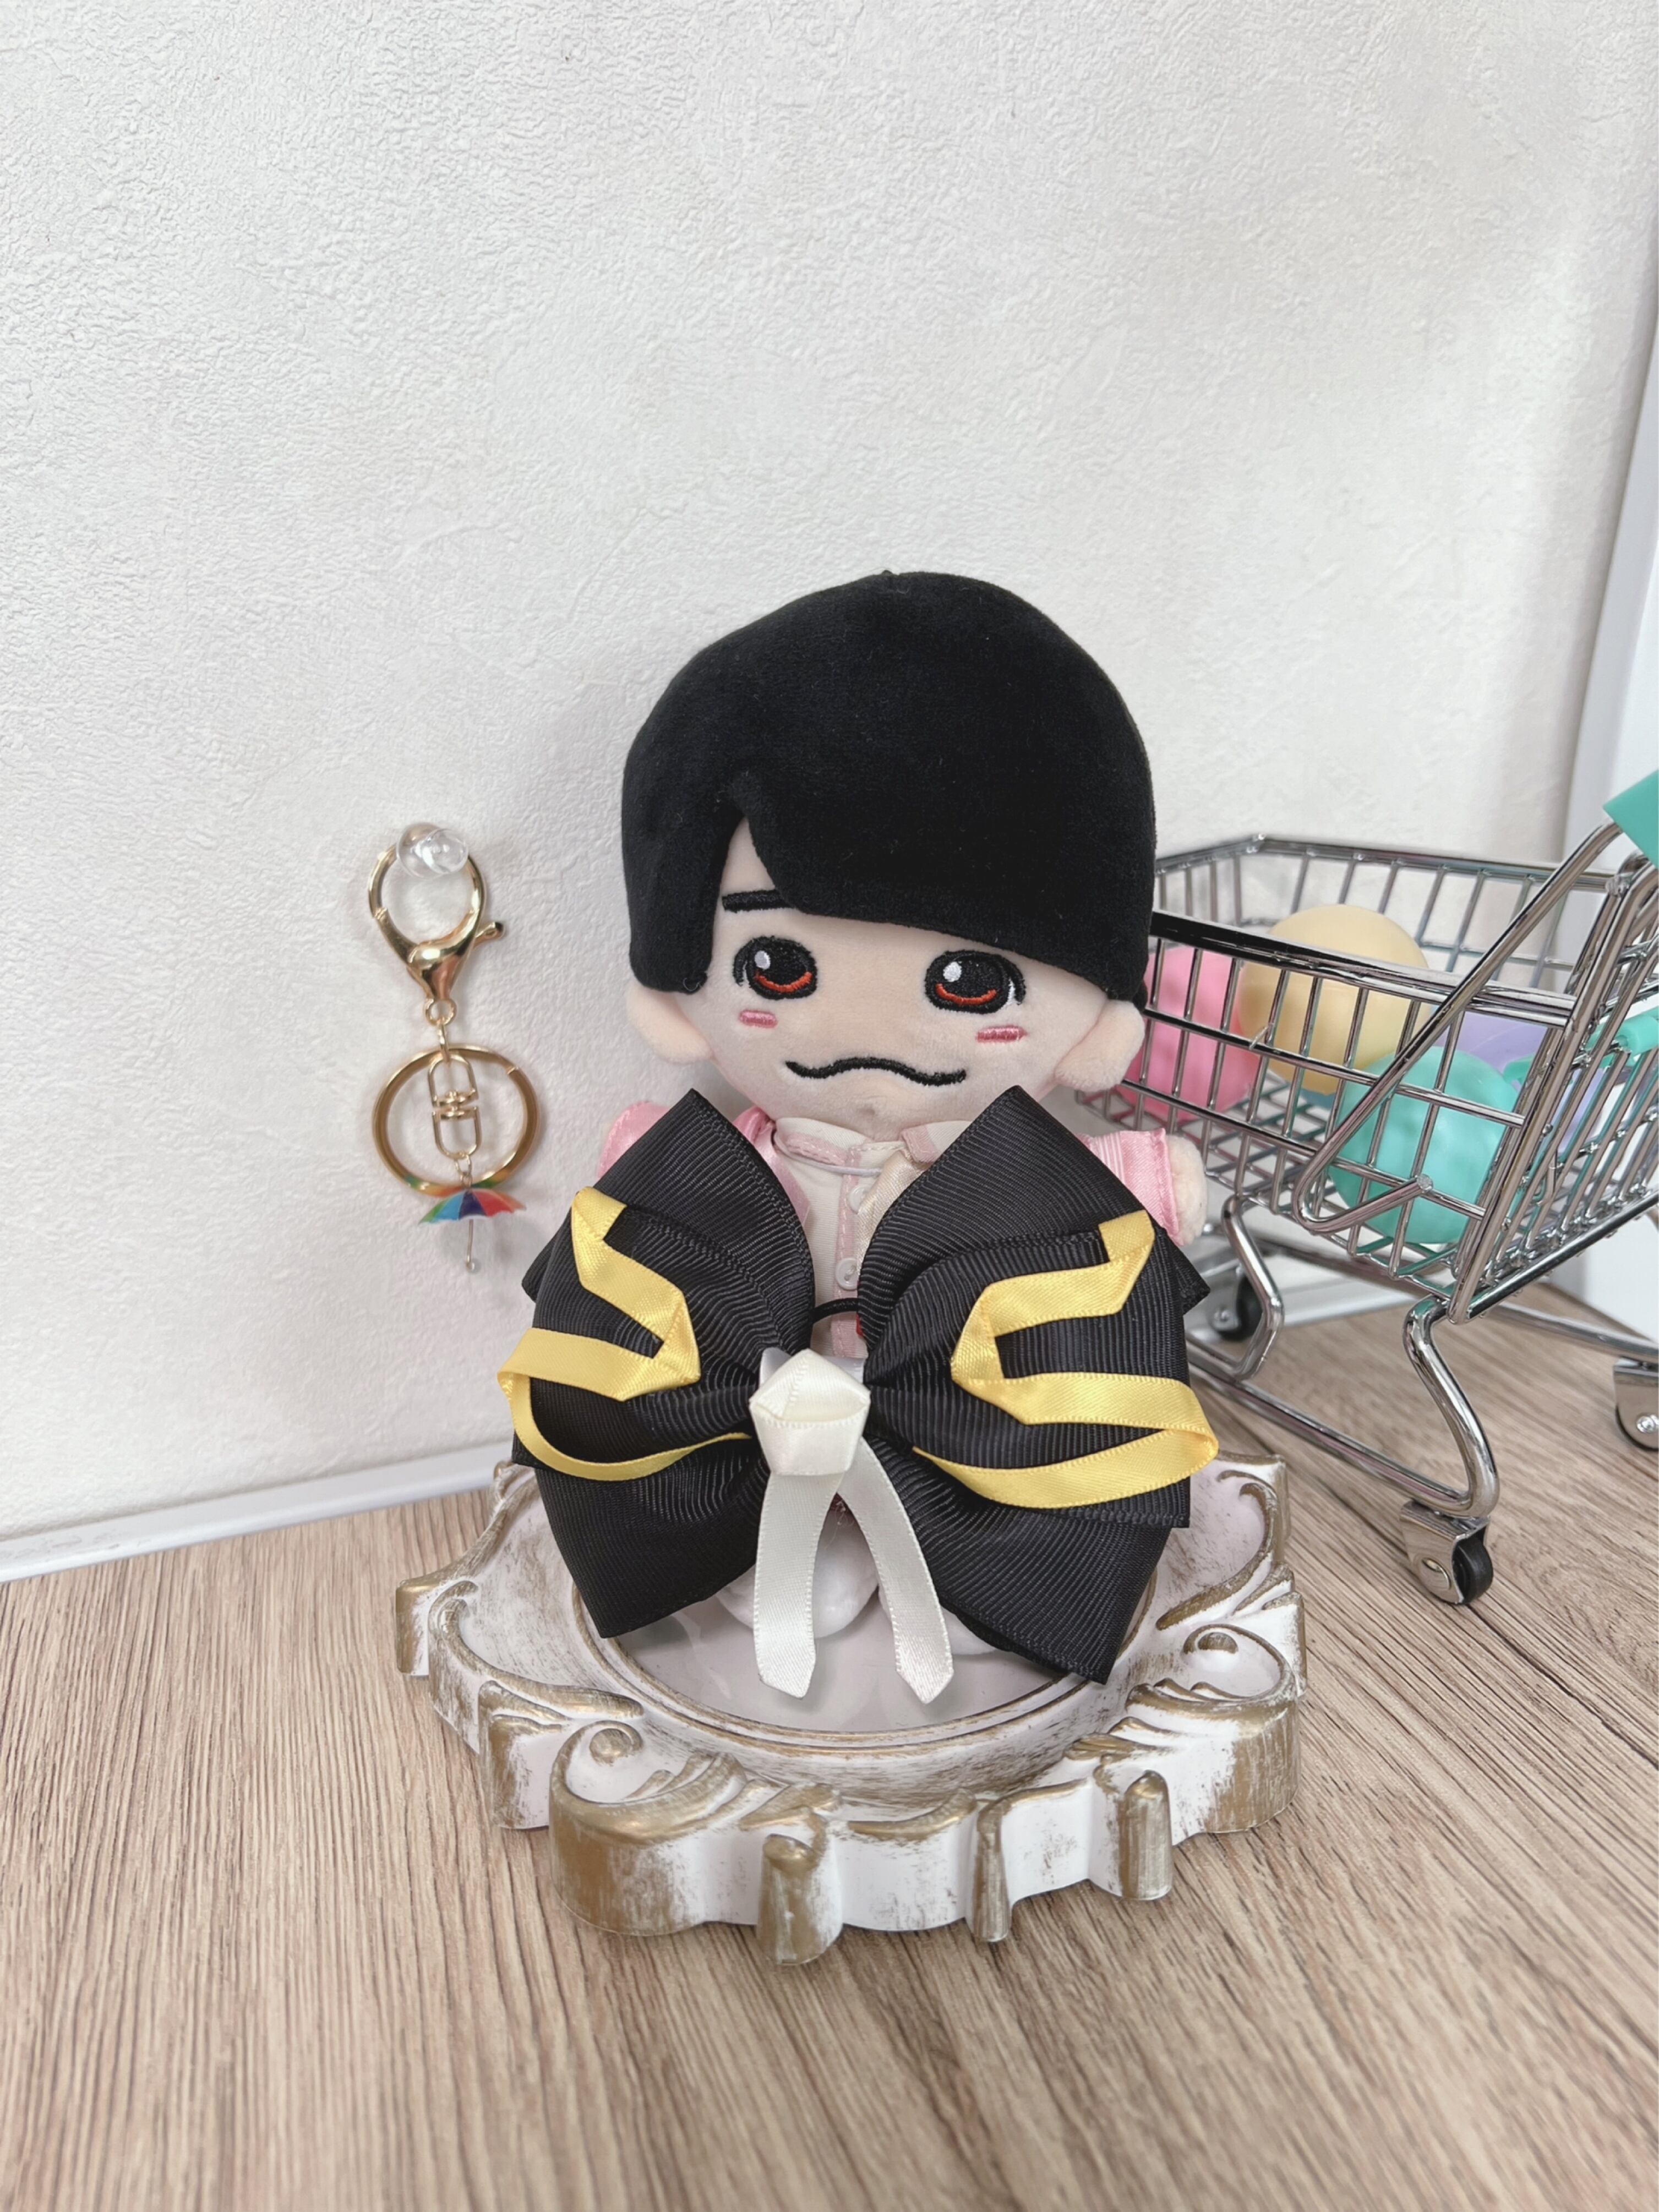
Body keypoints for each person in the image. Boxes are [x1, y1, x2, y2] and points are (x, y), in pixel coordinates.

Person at [500, 572, 1216, 1693]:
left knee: (996, 1536)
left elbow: (1111, 1235)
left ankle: (964, 1554)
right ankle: (808, 1535)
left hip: (987, 1453)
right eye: (777, 967)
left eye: (971, 982)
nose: (876, 1038)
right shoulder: (710, 1171)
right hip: (763, 1440)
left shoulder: (1022, 1182)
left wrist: (1145, 1182)